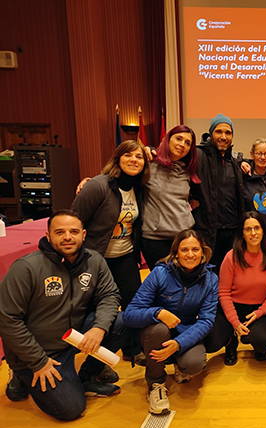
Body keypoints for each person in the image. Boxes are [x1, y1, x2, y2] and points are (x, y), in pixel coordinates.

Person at [0, 210, 127, 421]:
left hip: (72, 337)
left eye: (73, 231)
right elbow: (7, 318)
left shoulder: (94, 260)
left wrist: (99, 328)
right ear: (48, 236)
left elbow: (110, 295)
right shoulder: (26, 268)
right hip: (39, 352)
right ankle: (21, 376)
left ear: (83, 235)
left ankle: (87, 377)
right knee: (71, 409)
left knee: (122, 322)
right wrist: (38, 361)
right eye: (60, 232)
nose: (67, 237)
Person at [71, 140, 150, 366]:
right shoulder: (97, 186)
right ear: (118, 158)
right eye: (128, 155)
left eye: (139, 157)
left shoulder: (139, 188)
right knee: (98, 310)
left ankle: (131, 348)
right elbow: (75, 220)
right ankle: (95, 360)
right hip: (96, 260)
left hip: (125, 256)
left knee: (134, 306)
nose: (134, 160)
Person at [124, 229, 218, 415]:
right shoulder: (160, 273)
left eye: (195, 249)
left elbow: (207, 320)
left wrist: (179, 344)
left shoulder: (211, 279)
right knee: (159, 330)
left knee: (195, 364)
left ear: (203, 252)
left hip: (184, 332)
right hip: (155, 331)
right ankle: (156, 383)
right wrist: (158, 312)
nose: (190, 254)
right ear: (176, 253)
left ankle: (177, 363)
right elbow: (129, 314)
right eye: (184, 250)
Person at [204, 212, 266, 364]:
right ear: (242, 233)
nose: (253, 233)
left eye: (257, 228)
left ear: (263, 230)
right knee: (210, 343)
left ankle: (258, 346)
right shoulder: (231, 256)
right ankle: (230, 341)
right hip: (233, 307)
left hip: (259, 309)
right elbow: (224, 293)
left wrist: (260, 312)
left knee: (262, 341)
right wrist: (235, 323)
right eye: (248, 229)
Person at [142, 125, 201, 269]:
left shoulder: (188, 171)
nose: (182, 144)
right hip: (155, 240)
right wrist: (89, 182)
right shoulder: (149, 164)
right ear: (167, 139)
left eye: (188, 143)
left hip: (183, 238)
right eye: (179, 138)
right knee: (163, 285)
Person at [192, 113, 245, 273]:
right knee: (205, 275)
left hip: (231, 231)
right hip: (206, 231)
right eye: (218, 131)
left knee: (229, 274)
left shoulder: (235, 162)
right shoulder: (197, 155)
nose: (223, 137)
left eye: (228, 133)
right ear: (211, 134)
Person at [242, 139, 266, 241]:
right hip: (251, 235)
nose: (262, 157)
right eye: (259, 153)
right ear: (252, 154)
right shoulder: (243, 176)